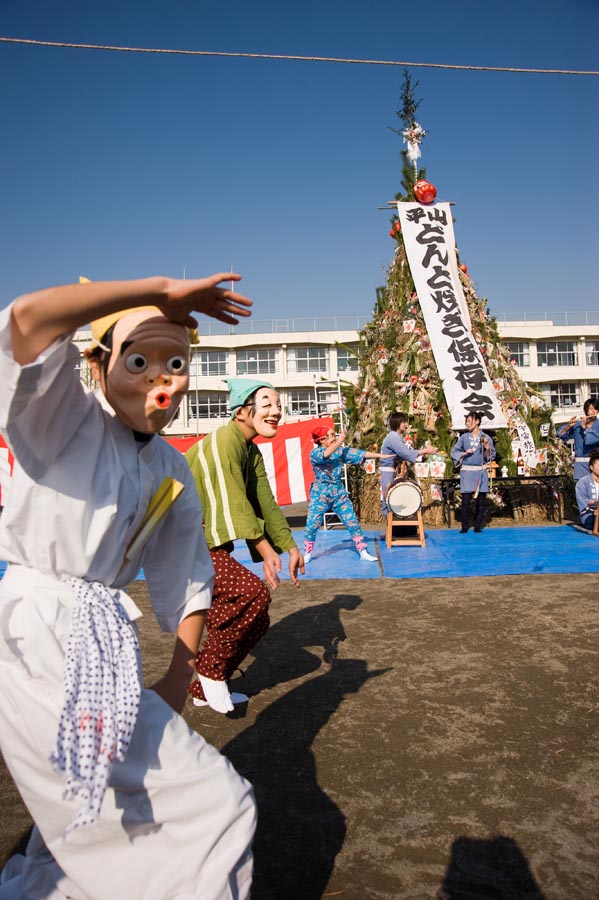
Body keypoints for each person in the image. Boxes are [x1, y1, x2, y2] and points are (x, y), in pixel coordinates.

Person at [0, 275, 257, 899]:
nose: (160, 380)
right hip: (36, 639)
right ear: (97, 364)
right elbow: (28, 323)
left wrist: (178, 676)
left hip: (100, 645)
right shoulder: (62, 421)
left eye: (177, 363)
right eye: (139, 360)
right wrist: (157, 291)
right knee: (214, 805)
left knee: (94, 817)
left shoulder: (170, 465)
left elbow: (190, 571)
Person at [185, 378, 304, 714]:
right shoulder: (224, 440)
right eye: (267, 404)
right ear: (242, 411)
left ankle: (204, 688)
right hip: (180, 543)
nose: (276, 411)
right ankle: (210, 671)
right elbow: (233, 501)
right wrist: (266, 551)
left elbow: (263, 500)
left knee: (258, 620)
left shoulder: (251, 452)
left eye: (278, 405)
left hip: (204, 544)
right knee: (252, 593)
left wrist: (288, 546)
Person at [303, 426, 392, 563]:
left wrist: (380, 456)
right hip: (320, 493)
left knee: (352, 521)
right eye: (331, 435)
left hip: (338, 493)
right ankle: (308, 552)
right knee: (312, 524)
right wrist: (340, 440)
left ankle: (362, 550)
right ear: (322, 440)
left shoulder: (339, 452)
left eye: (334, 434)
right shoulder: (314, 453)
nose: (334, 437)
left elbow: (358, 453)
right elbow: (325, 455)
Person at [379, 412, 438, 516]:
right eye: (403, 422)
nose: (405, 424)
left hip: (390, 471)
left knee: (390, 500)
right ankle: (391, 528)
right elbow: (406, 453)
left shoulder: (395, 436)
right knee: (389, 500)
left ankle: (393, 528)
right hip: (388, 472)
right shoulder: (394, 437)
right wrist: (425, 451)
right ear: (397, 423)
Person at [450, 410, 497, 533]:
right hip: (467, 472)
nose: (467, 424)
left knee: (481, 501)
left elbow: (491, 456)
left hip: (480, 472)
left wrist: (487, 448)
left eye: (470, 421)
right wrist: (464, 453)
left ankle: (478, 526)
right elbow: (454, 452)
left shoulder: (486, 438)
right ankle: (464, 526)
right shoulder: (464, 438)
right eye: (466, 421)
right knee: (465, 501)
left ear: (477, 421)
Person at [557, 398, 599, 481]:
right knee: (582, 490)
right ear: (585, 410)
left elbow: (593, 440)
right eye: (591, 408)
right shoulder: (577, 425)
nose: (593, 411)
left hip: (596, 464)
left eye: (596, 409)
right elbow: (560, 435)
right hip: (580, 466)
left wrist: (586, 429)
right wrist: (569, 426)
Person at [575, 448, 599, 531]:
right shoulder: (583, 482)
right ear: (591, 467)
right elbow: (582, 500)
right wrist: (595, 503)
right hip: (590, 514)